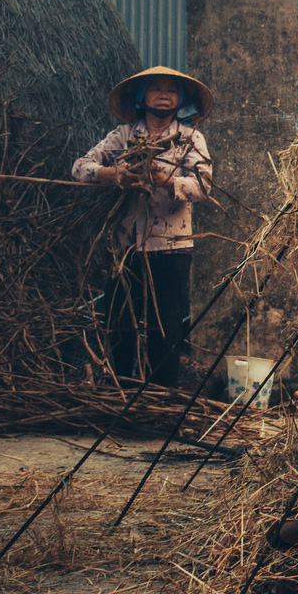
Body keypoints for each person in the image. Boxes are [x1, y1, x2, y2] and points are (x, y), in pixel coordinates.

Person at [73, 67, 214, 390]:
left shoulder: (190, 139)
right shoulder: (123, 136)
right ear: (142, 97)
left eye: (171, 90)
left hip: (172, 247)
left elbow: (204, 186)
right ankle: (119, 399)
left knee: (164, 331)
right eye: (156, 89)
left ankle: (159, 400)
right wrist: (114, 174)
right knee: (118, 326)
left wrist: (167, 182)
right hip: (126, 250)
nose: (164, 94)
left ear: (180, 100)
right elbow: (80, 168)